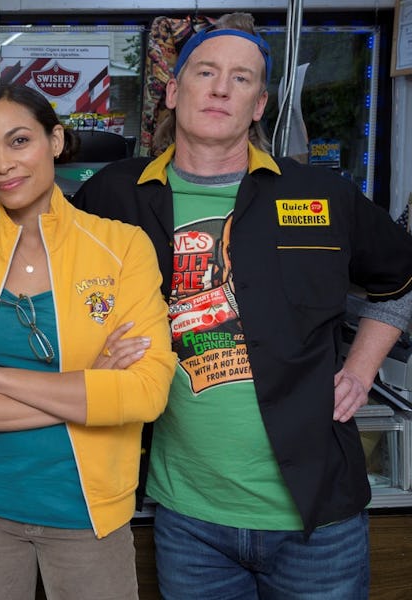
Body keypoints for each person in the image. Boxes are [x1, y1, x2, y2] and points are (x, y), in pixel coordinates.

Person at [72, 12, 412, 599]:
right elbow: (60, 292)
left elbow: (400, 278)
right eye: (206, 72)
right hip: (187, 517)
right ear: (173, 92)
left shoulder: (320, 195)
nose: (221, 88)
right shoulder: (112, 195)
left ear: (259, 106)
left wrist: (360, 370)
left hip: (318, 518)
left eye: (242, 78)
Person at [0, 83, 176, 600]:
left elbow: (145, 394)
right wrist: (86, 390)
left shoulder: (122, 248)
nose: (2, 165)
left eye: (19, 141)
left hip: (87, 510)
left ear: (55, 140)